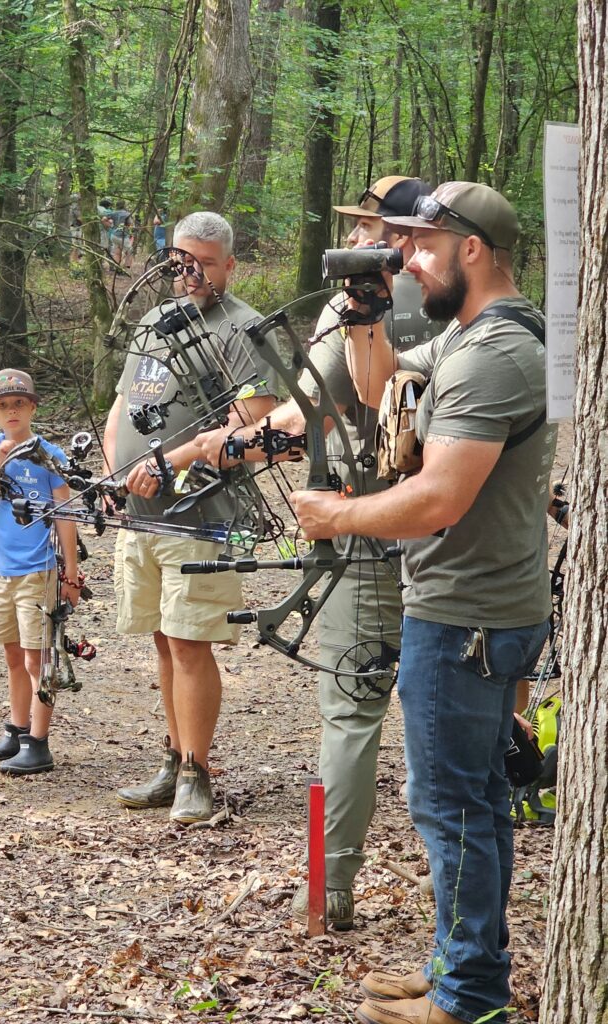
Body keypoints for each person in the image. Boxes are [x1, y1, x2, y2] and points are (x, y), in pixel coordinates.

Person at [290, 182, 557, 1024]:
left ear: (470, 248)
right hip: (478, 605)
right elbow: (384, 391)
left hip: (464, 614)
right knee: (473, 801)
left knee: (449, 807)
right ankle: (460, 968)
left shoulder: (492, 354)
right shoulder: (477, 333)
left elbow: (438, 497)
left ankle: (465, 998)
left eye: (420, 246)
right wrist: (364, 319)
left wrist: (335, 515)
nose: (405, 261)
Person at [197, 176, 443, 929]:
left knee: (354, 707)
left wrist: (215, 448)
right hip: (419, 526)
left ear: (402, 237)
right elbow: (314, 406)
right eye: (358, 227)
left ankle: (331, 887)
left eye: (370, 227)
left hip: (372, 529)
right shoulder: (422, 301)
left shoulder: (394, 304)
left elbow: (316, 413)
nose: (357, 239)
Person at [104, 211, 281, 824]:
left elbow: (254, 419)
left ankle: (196, 773)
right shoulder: (154, 320)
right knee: (161, 638)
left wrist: (169, 462)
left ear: (229, 264)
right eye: (182, 259)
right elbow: (122, 406)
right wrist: (115, 476)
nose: (192, 271)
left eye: (206, 262)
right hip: (141, 514)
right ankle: (174, 758)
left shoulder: (244, 327)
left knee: (188, 641)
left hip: (202, 515)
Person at [0, 370, 81, 775]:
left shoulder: (49, 455)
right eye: (3, 405)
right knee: (12, 652)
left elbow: (65, 514)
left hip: (38, 570)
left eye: (19, 403)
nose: (12, 411)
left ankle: (38, 743)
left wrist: (71, 574)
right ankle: (17, 729)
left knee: (37, 658)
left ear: (32, 408)